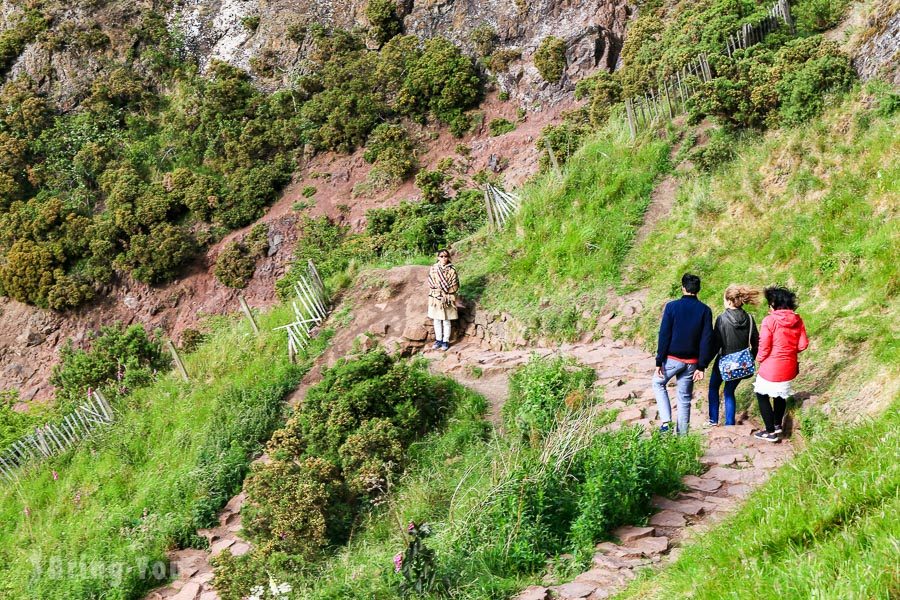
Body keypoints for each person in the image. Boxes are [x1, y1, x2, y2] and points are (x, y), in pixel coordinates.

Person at [653, 273, 714, 434]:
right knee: (684, 399)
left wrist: (659, 361)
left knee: (658, 383)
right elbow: (707, 339)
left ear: (683, 288)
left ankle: (666, 422)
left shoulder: (672, 307)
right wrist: (701, 367)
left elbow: (664, 334)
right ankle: (682, 439)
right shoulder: (705, 311)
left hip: (672, 359)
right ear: (698, 289)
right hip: (692, 363)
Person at [753, 286, 809, 442]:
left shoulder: (769, 320)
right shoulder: (798, 320)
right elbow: (803, 344)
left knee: (761, 394)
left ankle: (770, 431)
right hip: (789, 366)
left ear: (773, 303)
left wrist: (759, 359)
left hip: (771, 365)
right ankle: (777, 425)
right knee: (779, 395)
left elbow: (764, 345)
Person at [706, 285, 760, 427]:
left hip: (724, 361)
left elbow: (716, 344)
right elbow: (756, 342)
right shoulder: (749, 318)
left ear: (729, 301)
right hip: (742, 363)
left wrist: (704, 363)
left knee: (713, 387)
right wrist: (750, 359)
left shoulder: (722, 319)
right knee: (729, 391)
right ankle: (729, 424)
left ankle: (713, 420)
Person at [427, 249, 459, 351]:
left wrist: (446, 293)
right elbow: (431, 282)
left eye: (445, 256)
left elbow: (455, 284)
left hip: (447, 298)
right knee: (436, 320)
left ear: (448, 257)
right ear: (438, 258)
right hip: (436, 298)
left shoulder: (452, 270)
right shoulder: (433, 269)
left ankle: (445, 341)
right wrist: (438, 292)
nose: (444, 258)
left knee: (446, 320)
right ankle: (438, 340)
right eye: (441, 256)